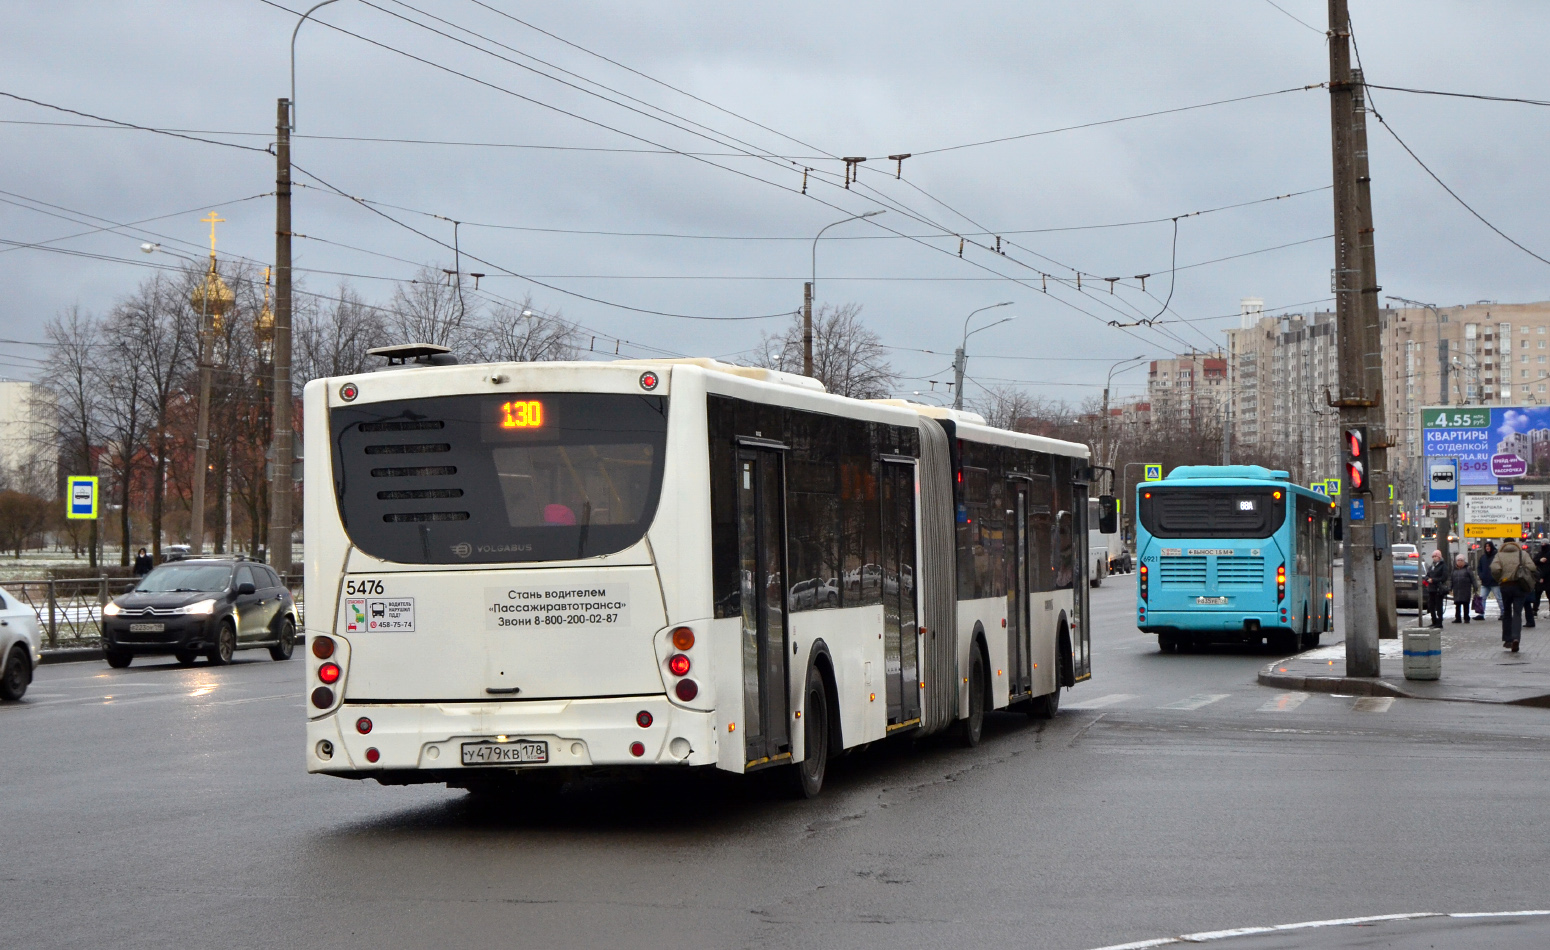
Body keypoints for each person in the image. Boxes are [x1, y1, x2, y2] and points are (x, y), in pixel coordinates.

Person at [1490, 538, 1537, 653]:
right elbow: (1532, 567)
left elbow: (1495, 569)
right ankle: (1516, 637)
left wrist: (1500, 579)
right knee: (1517, 613)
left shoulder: (1499, 555)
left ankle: (1508, 639)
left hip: (1505, 586)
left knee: (1506, 612)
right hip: (1520, 586)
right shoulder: (1523, 554)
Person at [1449, 554, 1478, 625]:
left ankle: (1466, 618)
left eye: (1461, 560)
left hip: (1465, 590)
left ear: (1464, 561)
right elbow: (1451, 580)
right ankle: (1458, 618)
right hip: (1457, 590)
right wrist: (1450, 588)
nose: (1459, 562)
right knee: (1457, 605)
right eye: (1458, 560)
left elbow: (1472, 579)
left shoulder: (1468, 569)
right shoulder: (1454, 570)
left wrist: (1475, 587)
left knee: (1466, 604)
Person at [1424, 549, 1449, 628]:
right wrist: (1427, 578)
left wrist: (1433, 580)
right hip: (1431, 589)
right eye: (1433, 556)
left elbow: (1444, 577)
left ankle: (1439, 622)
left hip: (1439, 589)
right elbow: (1427, 574)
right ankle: (1433, 621)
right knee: (1431, 605)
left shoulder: (1443, 566)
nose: (1434, 558)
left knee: (1438, 606)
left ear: (1439, 557)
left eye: (1435, 556)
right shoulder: (1432, 566)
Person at [1478, 540, 1499, 619]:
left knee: (1499, 598)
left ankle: (1503, 612)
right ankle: (1481, 614)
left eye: (1489, 546)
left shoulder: (1496, 556)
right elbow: (1479, 567)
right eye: (1486, 547)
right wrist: (1481, 575)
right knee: (1482, 598)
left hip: (1494, 582)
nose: (1487, 548)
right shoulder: (1483, 557)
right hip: (1485, 582)